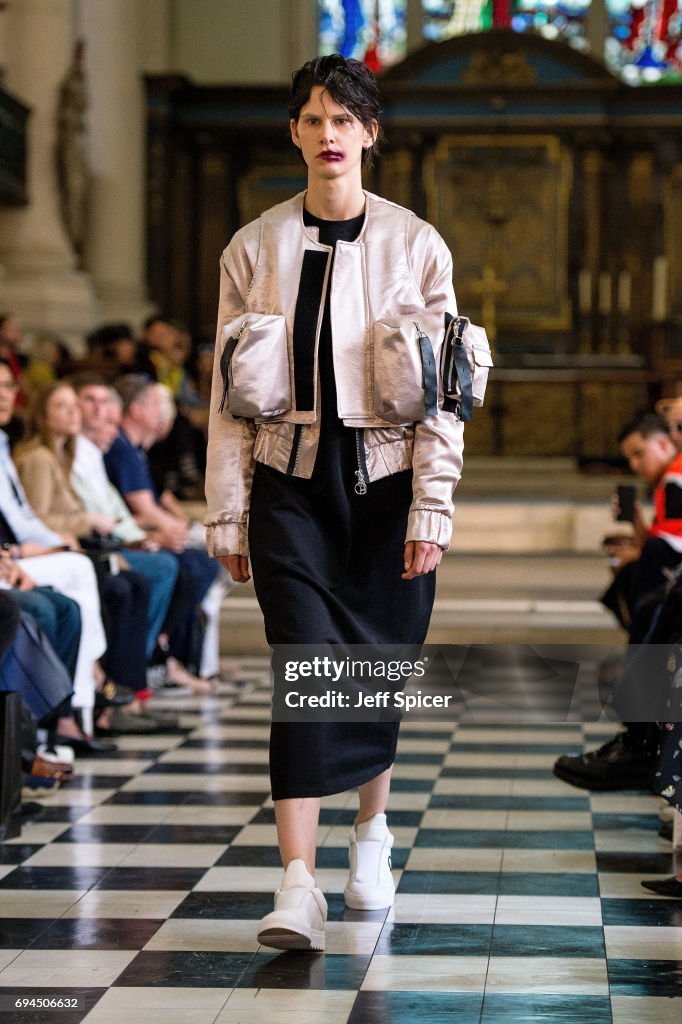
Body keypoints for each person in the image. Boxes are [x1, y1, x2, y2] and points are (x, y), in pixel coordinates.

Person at [204, 55, 469, 951]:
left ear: (370, 133)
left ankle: (371, 836)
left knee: (376, 661)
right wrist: (228, 510)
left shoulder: (417, 246)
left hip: (387, 485)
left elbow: (444, 395)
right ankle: (294, 885)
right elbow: (227, 397)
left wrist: (433, 508)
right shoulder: (253, 247)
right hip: (289, 483)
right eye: (313, 120)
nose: (329, 136)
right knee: (305, 668)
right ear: (294, 132)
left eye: (345, 121)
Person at [555, 412, 682, 791]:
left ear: (664, 442)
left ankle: (640, 744)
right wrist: (636, 535)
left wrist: (637, 554)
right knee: (645, 592)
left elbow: (670, 548)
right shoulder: (669, 480)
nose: (634, 464)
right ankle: (640, 740)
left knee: (649, 594)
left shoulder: (675, 477)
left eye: (638, 453)